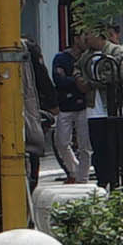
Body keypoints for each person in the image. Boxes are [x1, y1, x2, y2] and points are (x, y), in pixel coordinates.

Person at [84, 25, 123, 187]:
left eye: (88, 34)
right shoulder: (86, 55)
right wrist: (81, 80)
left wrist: (96, 82)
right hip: (94, 109)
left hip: (115, 107)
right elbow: (77, 68)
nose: (86, 38)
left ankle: (120, 180)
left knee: (118, 147)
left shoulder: (118, 52)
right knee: (99, 148)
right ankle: (104, 181)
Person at [42, 28, 94, 185]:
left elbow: (92, 80)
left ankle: (82, 177)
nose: (87, 40)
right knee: (62, 142)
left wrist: (76, 81)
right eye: (84, 37)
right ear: (76, 39)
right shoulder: (61, 58)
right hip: (65, 105)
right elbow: (59, 80)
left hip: (85, 105)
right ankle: (74, 170)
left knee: (85, 144)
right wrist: (78, 81)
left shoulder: (89, 58)